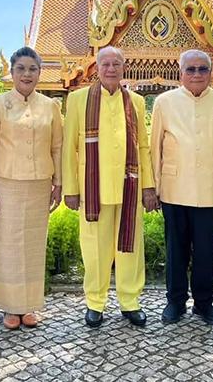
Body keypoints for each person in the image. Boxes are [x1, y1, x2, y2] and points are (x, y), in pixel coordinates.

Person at [62, 46, 158, 328]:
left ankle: (130, 301)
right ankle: (95, 302)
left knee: (130, 247)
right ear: (97, 67)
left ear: (123, 67)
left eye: (117, 63)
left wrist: (148, 186)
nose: (111, 68)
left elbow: (142, 146)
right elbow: (70, 147)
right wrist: (70, 188)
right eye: (106, 63)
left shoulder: (136, 101)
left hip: (129, 186)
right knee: (95, 248)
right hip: (94, 188)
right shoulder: (79, 99)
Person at [150, 50, 213, 326]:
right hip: (174, 188)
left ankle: (204, 303)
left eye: (203, 69)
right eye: (191, 69)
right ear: (180, 73)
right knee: (176, 249)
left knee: (205, 251)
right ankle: (175, 302)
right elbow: (154, 149)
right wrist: (152, 188)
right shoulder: (164, 102)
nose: (197, 74)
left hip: (210, 189)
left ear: (211, 73)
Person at [0, 46, 63, 330]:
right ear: (11, 72)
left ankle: (28, 306)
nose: (27, 74)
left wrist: (58, 182)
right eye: (21, 69)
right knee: (8, 245)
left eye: (33, 69)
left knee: (33, 245)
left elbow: (57, 147)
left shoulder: (51, 106)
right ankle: (9, 307)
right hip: (6, 184)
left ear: (40, 73)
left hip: (39, 184)